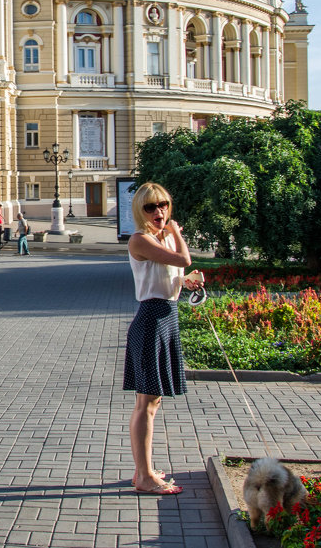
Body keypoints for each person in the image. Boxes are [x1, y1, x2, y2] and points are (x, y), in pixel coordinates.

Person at [123, 182, 203, 495]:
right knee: (146, 402)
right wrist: (176, 232)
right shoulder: (140, 239)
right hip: (151, 319)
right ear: (140, 211)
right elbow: (183, 260)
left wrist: (186, 283)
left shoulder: (159, 239)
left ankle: (143, 470)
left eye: (164, 205)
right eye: (151, 207)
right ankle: (144, 476)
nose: (160, 212)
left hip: (166, 317)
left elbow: (172, 275)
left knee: (152, 401)